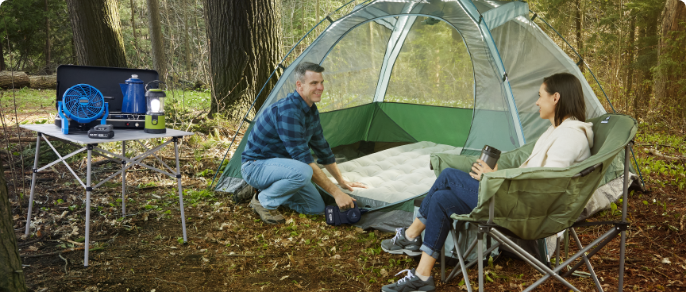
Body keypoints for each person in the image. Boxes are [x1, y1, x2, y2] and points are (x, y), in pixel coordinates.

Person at [379, 73, 594, 292]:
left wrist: (491, 178)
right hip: (517, 201)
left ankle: (410, 235)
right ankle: (422, 276)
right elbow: (533, 175)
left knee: (449, 176)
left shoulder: (570, 137)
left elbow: (546, 185)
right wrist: (497, 172)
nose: (537, 102)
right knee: (442, 198)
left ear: (555, 97)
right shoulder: (556, 132)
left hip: (526, 212)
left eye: (540, 96)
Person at [240, 62, 367, 224]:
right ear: (299, 85)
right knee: (304, 170)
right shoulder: (289, 112)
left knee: (315, 208)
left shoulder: (310, 110)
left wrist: (341, 181)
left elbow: (323, 149)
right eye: (314, 83)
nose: (320, 87)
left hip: (283, 168)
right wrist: (336, 193)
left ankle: (270, 188)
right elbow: (303, 159)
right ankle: (262, 199)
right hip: (256, 166)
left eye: (321, 82)